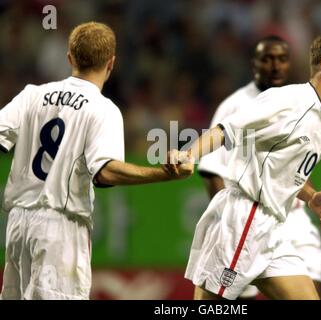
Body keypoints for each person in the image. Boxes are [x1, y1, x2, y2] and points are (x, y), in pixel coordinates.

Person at [0, 22, 192, 300]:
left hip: (17, 225)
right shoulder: (103, 109)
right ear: (111, 63)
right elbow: (105, 173)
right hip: (59, 227)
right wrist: (164, 174)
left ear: (70, 58)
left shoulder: (31, 95)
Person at [173, 34, 321, 300]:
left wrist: (311, 197)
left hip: (275, 227)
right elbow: (227, 128)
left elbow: (282, 172)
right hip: (245, 219)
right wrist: (189, 154)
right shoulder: (290, 100)